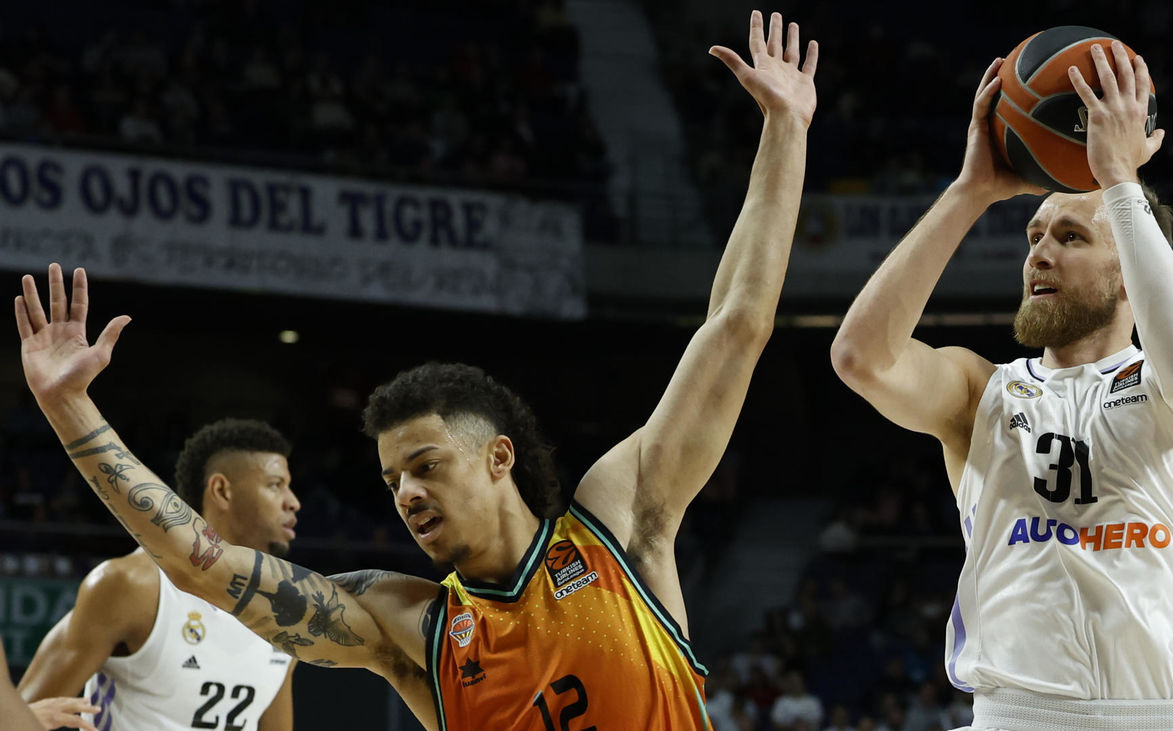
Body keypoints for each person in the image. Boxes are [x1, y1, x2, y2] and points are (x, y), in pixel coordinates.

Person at [11, 10, 818, 729]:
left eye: (425, 465)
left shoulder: (614, 526)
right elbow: (206, 563)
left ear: (498, 455)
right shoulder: (408, 625)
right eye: (394, 478)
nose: (406, 494)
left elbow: (737, 325)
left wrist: (785, 129)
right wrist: (71, 409)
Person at [830, 42, 1173, 730]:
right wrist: (969, 192)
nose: (1040, 252)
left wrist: (1118, 180)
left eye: (1073, 236)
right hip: (1013, 716)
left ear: (1131, 270)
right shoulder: (978, 389)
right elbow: (860, 358)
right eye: (1034, 234)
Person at [18, 419, 301, 731]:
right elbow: (19, 718)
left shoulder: (284, 611)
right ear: (222, 490)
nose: (293, 502)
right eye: (275, 485)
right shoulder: (132, 585)